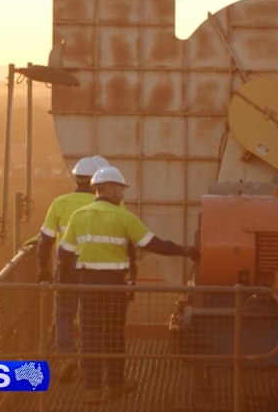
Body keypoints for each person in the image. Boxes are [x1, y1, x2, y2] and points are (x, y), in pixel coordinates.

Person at [58, 166, 200, 404]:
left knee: (90, 336)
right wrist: (187, 251)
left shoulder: (79, 216)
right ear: (111, 189)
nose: (123, 195)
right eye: (121, 189)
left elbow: (64, 255)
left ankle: (92, 390)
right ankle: (115, 384)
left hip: (88, 285)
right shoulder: (123, 217)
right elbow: (154, 245)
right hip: (114, 285)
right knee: (113, 334)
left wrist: (65, 287)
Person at [36, 155, 109, 382]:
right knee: (93, 317)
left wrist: (42, 268)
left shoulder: (60, 203)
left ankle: (67, 355)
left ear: (76, 178)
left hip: (66, 266)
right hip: (96, 269)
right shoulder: (109, 205)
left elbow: (46, 239)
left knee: (64, 313)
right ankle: (90, 363)